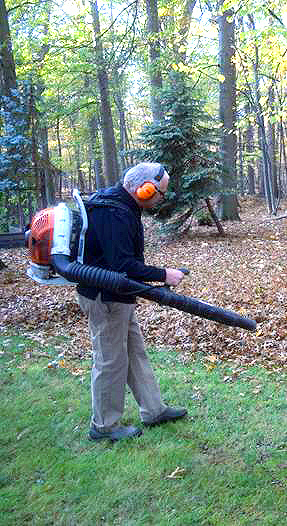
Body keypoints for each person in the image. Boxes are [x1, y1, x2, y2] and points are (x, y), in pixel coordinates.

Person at [77, 162, 187, 442]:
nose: (161, 198)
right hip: (106, 298)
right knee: (110, 361)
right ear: (145, 188)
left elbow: (123, 262)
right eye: (160, 193)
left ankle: (153, 410)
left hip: (119, 296)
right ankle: (103, 427)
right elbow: (122, 264)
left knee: (135, 353)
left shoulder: (119, 204)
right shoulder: (115, 213)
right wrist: (164, 274)